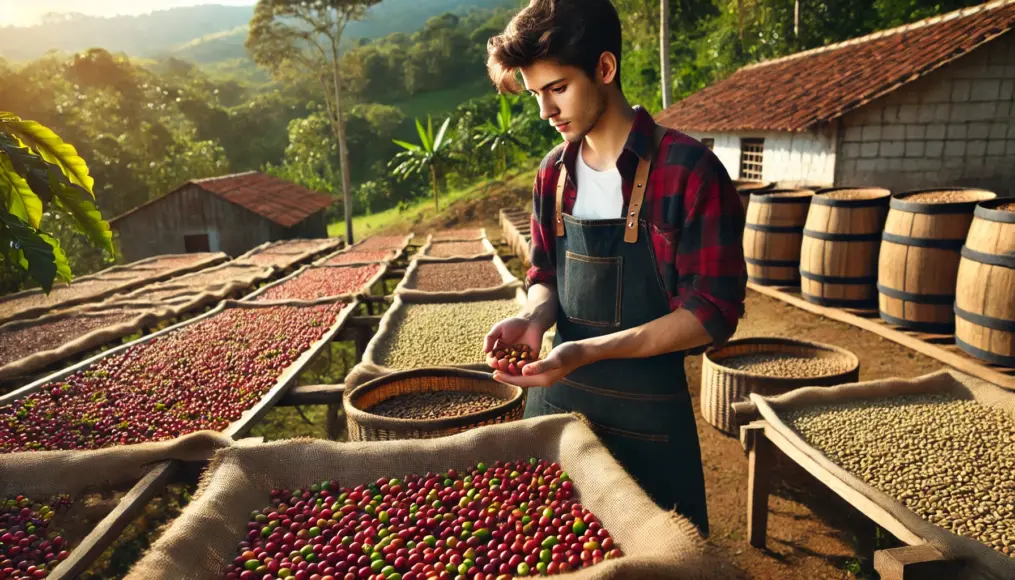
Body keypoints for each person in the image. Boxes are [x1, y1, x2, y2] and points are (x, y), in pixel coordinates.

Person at [481, 0, 747, 536]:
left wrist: (589, 350)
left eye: (557, 89)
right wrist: (534, 321)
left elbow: (711, 312)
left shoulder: (690, 171)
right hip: (555, 404)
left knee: (660, 559)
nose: (545, 112)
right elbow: (545, 274)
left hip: (647, 420)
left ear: (605, 69)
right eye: (536, 95)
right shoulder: (552, 174)